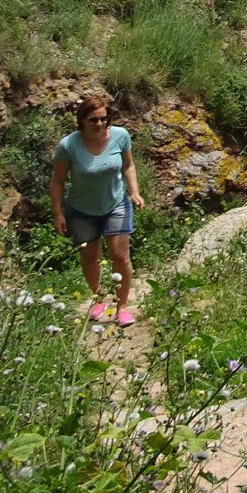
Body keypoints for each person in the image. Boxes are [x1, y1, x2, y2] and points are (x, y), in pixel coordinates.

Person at [49, 92, 144, 325]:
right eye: (93, 119)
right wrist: (58, 213)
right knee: (90, 259)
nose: (100, 123)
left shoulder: (120, 136)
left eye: (103, 118)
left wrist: (134, 192)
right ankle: (99, 299)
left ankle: (122, 307)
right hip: (80, 210)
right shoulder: (68, 146)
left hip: (115, 204)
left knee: (120, 257)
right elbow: (57, 180)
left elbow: (129, 166)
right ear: (82, 120)